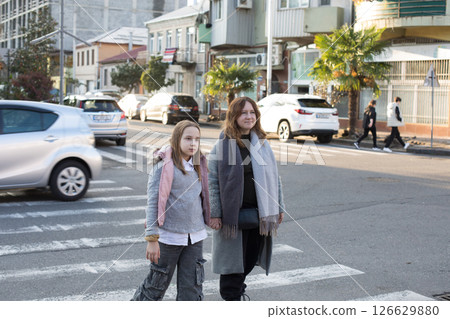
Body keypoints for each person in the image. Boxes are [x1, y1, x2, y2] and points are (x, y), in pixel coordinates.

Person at [208, 96, 286, 301]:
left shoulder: (261, 143)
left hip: (259, 214)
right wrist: (214, 213)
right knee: (232, 266)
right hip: (232, 217)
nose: (249, 116)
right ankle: (232, 298)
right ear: (234, 116)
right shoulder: (222, 146)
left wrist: (278, 206)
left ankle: (237, 293)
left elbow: (274, 177)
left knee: (249, 260)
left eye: (252, 112)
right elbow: (212, 182)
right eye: (244, 113)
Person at [131, 120, 210, 301]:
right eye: (188, 138)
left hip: (195, 237)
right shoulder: (164, 167)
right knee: (155, 288)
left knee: (192, 290)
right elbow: (153, 203)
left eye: (197, 139)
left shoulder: (199, 165)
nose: (193, 144)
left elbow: (206, 195)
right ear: (177, 139)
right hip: (169, 237)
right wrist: (152, 238)